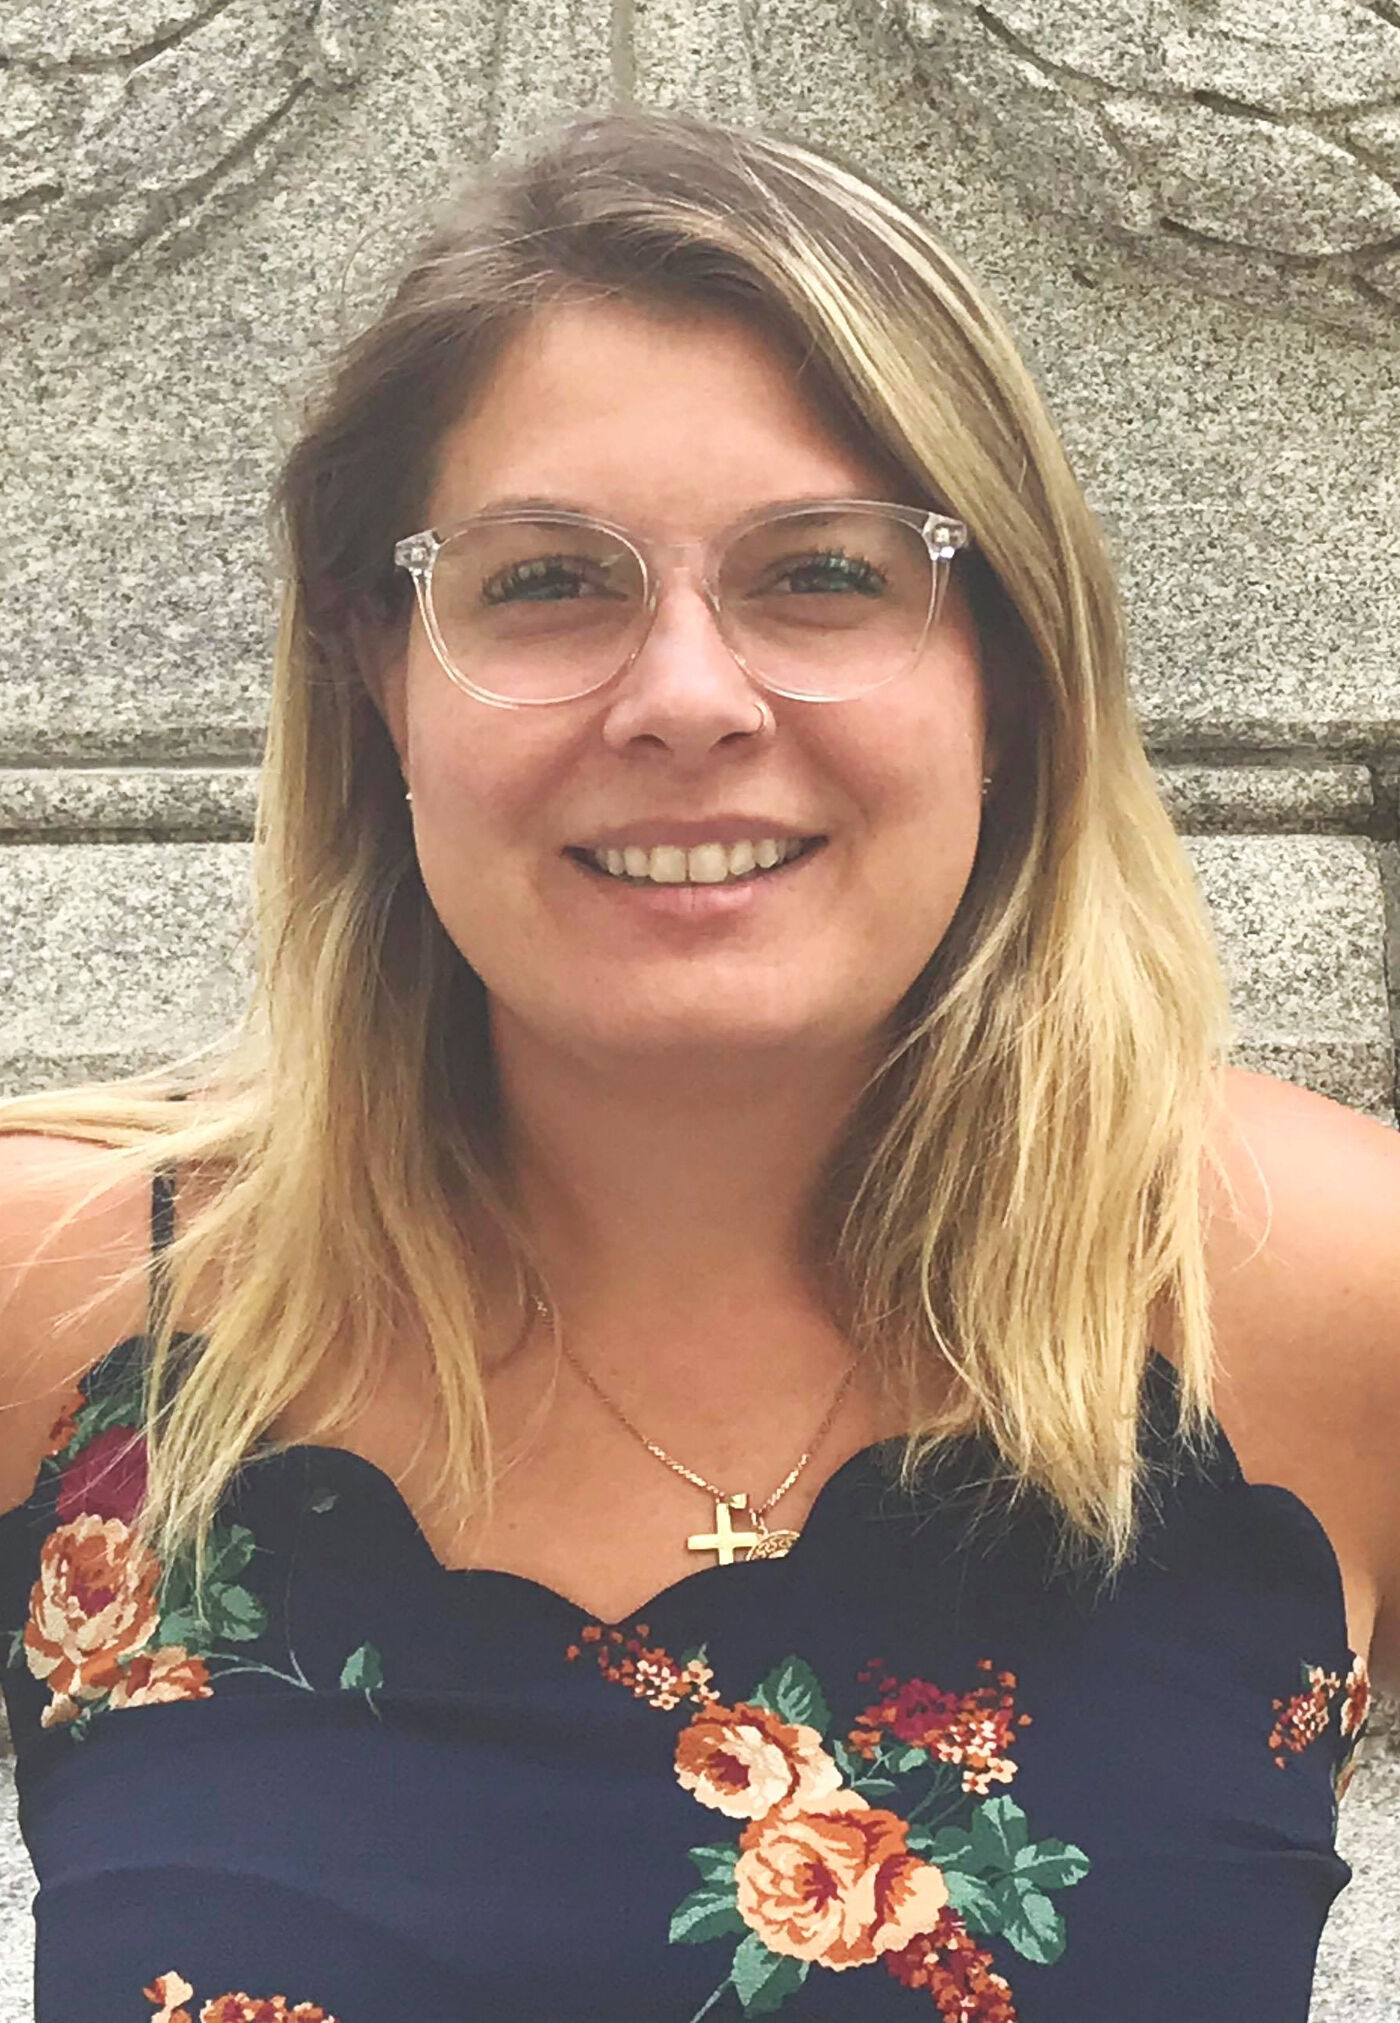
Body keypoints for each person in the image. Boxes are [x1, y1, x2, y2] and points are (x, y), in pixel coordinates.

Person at [0, 103, 1395, 2023]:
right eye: (546, 581)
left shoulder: (1322, 1292)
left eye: (823, 575)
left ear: (1006, 664)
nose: (684, 700)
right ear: (372, 668)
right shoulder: (60, 1302)